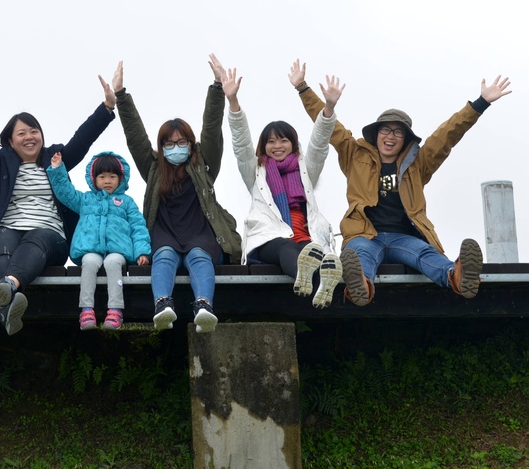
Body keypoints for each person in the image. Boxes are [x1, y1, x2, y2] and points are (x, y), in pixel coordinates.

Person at [298, 66, 512, 305]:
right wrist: (304, 89)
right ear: (376, 134)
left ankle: (457, 277)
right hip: (365, 234)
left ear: (406, 140)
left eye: (398, 132)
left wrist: (481, 102)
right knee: (359, 256)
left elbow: (448, 134)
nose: (391, 136)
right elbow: (330, 128)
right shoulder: (354, 153)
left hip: (403, 237)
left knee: (425, 254)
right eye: (386, 130)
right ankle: (361, 286)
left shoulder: (418, 163)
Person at [0, 72, 117, 335]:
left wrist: (107, 106)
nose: (29, 137)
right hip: (5, 228)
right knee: (1, 249)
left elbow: (83, 139)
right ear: (9, 141)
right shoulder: (2, 163)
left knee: (36, 238)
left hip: (48, 233)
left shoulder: (55, 159)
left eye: (34, 131)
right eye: (21, 133)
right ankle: (7, 310)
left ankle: (9, 284)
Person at [112, 58, 242, 333]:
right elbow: (135, 137)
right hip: (165, 232)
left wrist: (217, 88)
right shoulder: (154, 169)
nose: (176, 147)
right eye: (169, 143)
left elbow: (211, 129)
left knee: (198, 257)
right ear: (161, 147)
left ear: (190, 144)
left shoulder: (203, 166)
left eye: (182, 142)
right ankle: (162, 305)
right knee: (165, 256)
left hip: (201, 233)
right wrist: (121, 97)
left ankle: (204, 307)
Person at [222, 60, 344, 308]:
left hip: (307, 237)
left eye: (284, 140)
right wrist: (233, 102)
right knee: (287, 249)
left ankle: (320, 286)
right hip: (270, 238)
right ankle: (308, 278)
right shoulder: (255, 169)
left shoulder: (304, 168)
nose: (277, 146)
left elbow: (320, 145)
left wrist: (329, 108)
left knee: (313, 251)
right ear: (264, 146)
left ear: (293, 144)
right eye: (271, 142)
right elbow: (241, 143)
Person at [47, 150, 151, 330]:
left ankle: (116, 310)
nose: (107, 181)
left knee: (113, 263)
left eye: (112, 176)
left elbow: (138, 227)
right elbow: (66, 193)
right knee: (89, 262)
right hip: (91, 249)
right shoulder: (86, 200)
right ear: (93, 179)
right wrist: (58, 170)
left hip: (118, 251)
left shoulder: (126, 202)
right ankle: (86, 310)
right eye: (102, 176)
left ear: (121, 178)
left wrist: (142, 251)